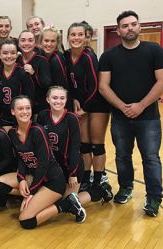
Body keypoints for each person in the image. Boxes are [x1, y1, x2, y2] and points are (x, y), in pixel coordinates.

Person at [99, 10, 163, 217]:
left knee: (150, 158)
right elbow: (104, 86)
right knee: (122, 156)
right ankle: (126, 187)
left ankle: (154, 198)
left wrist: (141, 105)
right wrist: (123, 107)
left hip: (148, 118)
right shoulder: (109, 56)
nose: (129, 28)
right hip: (120, 118)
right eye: (125, 25)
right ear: (118, 30)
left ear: (139, 27)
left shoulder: (155, 50)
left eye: (133, 24)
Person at [0, 95, 81, 229]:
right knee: (0, 184)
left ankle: (65, 205)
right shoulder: (12, 132)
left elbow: (44, 164)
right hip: (33, 177)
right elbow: (21, 158)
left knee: (26, 221)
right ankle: (40, 198)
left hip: (52, 181)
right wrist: (21, 178)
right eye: (20, 108)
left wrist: (32, 192)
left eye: (27, 108)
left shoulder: (38, 130)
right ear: (13, 111)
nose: (25, 112)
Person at [64, 23, 111, 195]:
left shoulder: (89, 56)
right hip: (81, 104)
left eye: (80, 34)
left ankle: (98, 182)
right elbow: (69, 84)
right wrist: (75, 100)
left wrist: (85, 107)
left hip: (97, 104)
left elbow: (94, 86)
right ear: (67, 37)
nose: (76, 38)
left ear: (85, 37)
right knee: (84, 145)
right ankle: (85, 178)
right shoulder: (66, 55)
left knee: (97, 145)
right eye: (72, 34)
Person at [37, 86, 88, 223]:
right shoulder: (42, 116)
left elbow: (75, 148)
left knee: (67, 201)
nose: (58, 101)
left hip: (70, 166)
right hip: (53, 168)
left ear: (66, 100)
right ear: (48, 99)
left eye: (62, 98)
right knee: (52, 201)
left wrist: (73, 174)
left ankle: (97, 191)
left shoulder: (71, 118)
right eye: (54, 98)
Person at [0, 39, 33, 131]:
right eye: (5, 53)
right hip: (4, 117)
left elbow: (29, 97)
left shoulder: (23, 73)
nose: (9, 56)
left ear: (17, 54)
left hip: (21, 116)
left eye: (12, 53)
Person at [17, 30, 52, 114]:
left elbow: (48, 85)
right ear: (18, 43)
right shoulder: (16, 60)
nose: (26, 43)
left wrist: (34, 73)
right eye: (23, 40)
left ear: (35, 43)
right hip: (20, 105)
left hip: (39, 106)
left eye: (30, 40)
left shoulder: (41, 60)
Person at [39, 27, 71, 111]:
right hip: (50, 102)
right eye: (46, 41)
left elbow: (60, 88)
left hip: (59, 105)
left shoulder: (56, 59)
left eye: (52, 41)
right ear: (41, 42)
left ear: (57, 43)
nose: (49, 44)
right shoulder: (42, 56)